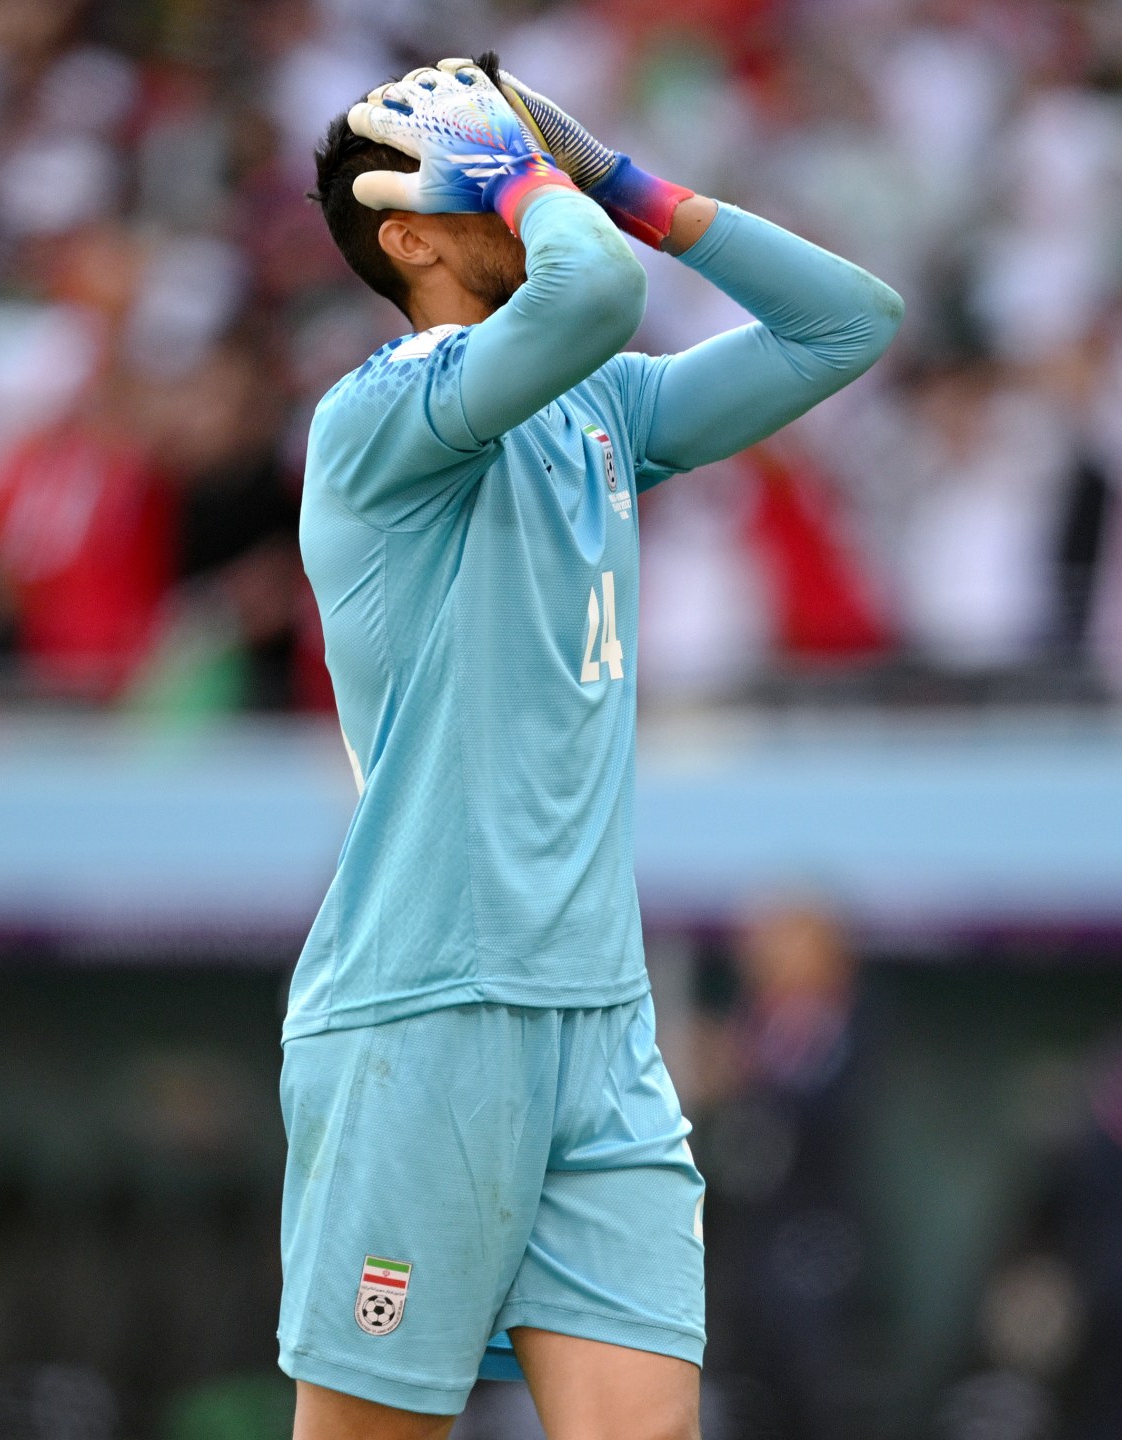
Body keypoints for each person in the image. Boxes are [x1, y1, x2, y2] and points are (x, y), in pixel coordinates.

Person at [278, 56, 902, 1440]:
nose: (527, 192)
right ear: (411, 239)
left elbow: (848, 323)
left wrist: (629, 185)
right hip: (427, 1013)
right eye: (484, 180)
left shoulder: (599, 407)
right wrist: (538, 183)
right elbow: (595, 293)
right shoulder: (375, 414)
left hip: (602, 1028)